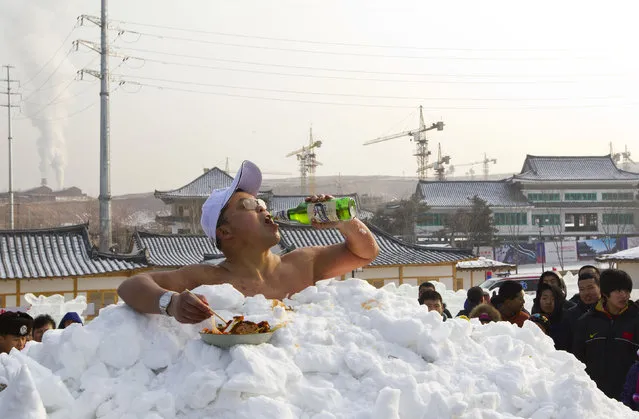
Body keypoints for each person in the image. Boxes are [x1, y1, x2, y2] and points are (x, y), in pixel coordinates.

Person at [118, 161, 380, 324]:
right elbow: (131, 286)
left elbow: (365, 253)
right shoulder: (208, 277)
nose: (264, 210)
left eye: (263, 204)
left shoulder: (303, 261)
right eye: (250, 205)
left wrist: (343, 221)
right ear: (226, 232)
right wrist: (171, 304)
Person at [573, 269, 639, 400]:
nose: (624, 296)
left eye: (627, 291)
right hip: (596, 398)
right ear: (605, 293)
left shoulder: (636, 319)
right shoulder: (586, 321)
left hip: (630, 397)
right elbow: (577, 360)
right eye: (618, 291)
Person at [556, 271, 601, 353]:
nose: (586, 293)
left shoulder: (610, 312)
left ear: (600, 288)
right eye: (582, 289)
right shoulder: (570, 315)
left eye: (590, 288)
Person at [531, 283, 565, 347]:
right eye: (544, 298)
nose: (548, 302)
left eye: (553, 299)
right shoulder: (534, 319)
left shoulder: (567, 320)